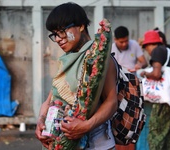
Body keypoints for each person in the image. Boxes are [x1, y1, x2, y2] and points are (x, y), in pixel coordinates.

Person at [35, 2, 118, 150]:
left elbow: (111, 102)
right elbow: (50, 99)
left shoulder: (99, 57)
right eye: (54, 34)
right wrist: (41, 121)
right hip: (60, 142)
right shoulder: (67, 60)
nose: (58, 39)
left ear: (80, 26)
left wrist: (86, 126)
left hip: (95, 144)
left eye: (61, 31)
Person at [138, 30, 170, 150]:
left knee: (155, 134)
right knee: (167, 134)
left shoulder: (158, 50)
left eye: (146, 48)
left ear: (149, 44)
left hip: (164, 100)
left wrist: (145, 73)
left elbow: (156, 74)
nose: (148, 52)